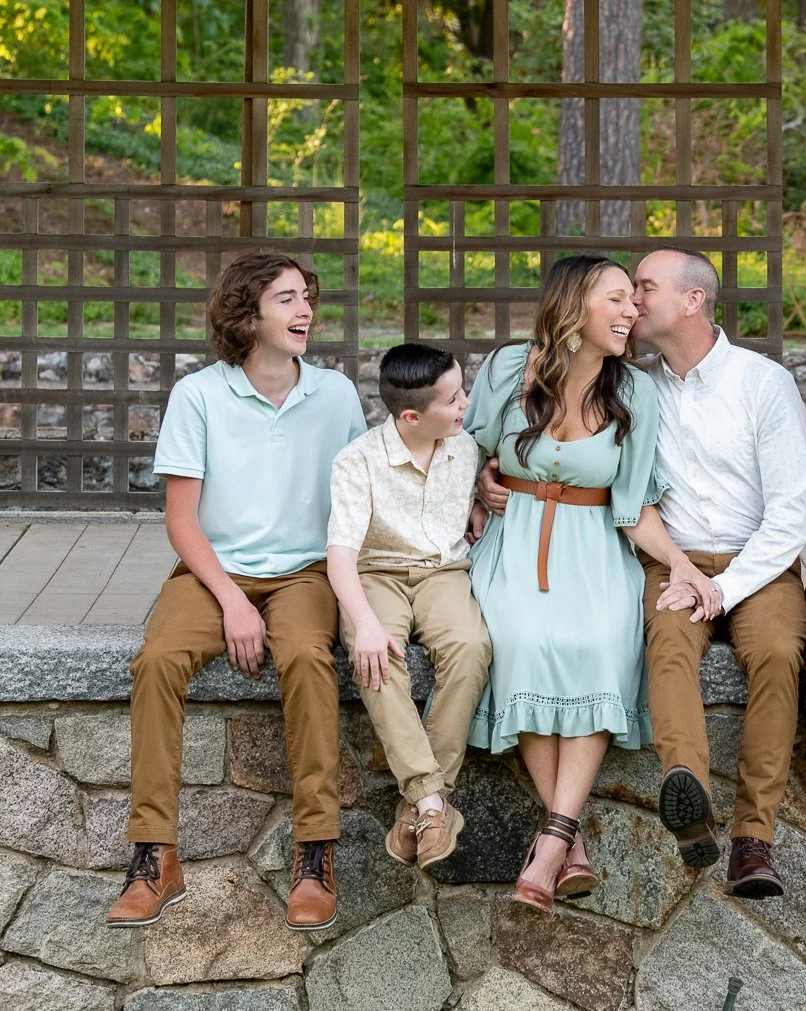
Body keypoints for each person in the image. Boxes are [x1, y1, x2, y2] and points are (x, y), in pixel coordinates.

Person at [107, 247, 366, 933]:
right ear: (247, 315)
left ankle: (315, 854)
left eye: (306, 296)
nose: (305, 309)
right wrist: (232, 602)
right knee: (157, 661)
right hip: (213, 572)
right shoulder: (198, 395)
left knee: (307, 658)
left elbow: (361, 499)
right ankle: (154, 856)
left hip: (307, 572)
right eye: (287, 299)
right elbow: (181, 521)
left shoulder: (336, 395)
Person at [465, 254, 715, 914]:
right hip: (514, 538)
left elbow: (633, 507)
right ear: (573, 307)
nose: (634, 310)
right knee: (519, 640)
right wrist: (478, 486)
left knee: (601, 644)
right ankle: (565, 841)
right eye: (618, 299)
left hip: (595, 546)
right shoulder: (506, 369)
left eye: (636, 299)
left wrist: (682, 563)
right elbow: (463, 448)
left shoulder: (634, 390)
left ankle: (551, 843)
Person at [629, 248, 806, 899]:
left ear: (693, 300)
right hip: (674, 562)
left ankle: (753, 841)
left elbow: (790, 514)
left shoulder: (763, 383)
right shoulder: (636, 389)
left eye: (645, 287)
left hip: (760, 564)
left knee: (778, 652)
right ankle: (691, 806)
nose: (633, 298)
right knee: (667, 643)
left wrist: (726, 589)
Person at [326, 343, 491, 876]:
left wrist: (482, 499)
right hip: (376, 573)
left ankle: (420, 806)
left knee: (472, 647)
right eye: (453, 398)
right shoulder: (358, 461)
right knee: (376, 657)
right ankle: (432, 801)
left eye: (463, 391)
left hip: (443, 573)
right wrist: (366, 625)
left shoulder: (464, 448)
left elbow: (494, 473)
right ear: (412, 416)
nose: (465, 404)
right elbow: (340, 557)